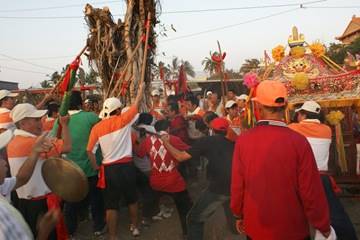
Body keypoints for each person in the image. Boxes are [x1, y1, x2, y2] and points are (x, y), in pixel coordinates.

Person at [231, 80, 335, 240]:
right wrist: (322, 224)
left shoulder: (243, 141)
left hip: (256, 226)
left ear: (258, 107)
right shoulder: (298, 141)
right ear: (286, 106)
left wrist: (238, 214)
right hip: (292, 227)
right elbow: (311, 191)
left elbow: (238, 184)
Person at [289, 101, 357, 240]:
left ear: (303, 115)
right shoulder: (326, 130)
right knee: (331, 213)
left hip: (303, 178)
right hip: (323, 179)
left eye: (299, 113)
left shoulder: (293, 128)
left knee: (301, 215)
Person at [87, 82, 145, 239]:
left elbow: (90, 151)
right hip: (126, 166)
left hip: (109, 170)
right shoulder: (124, 119)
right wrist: (140, 90)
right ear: (118, 110)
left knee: (111, 206)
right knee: (132, 200)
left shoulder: (96, 128)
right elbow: (136, 104)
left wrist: (97, 168)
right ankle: (135, 227)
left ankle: (113, 236)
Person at [160, 117, 235, 240]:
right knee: (229, 208)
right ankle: (233, 230)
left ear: (211, 129)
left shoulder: (206, 141)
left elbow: (180, 157)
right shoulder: (234, 143)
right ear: (227, 130)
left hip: (218, 188)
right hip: (235, 185)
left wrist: (166, 142)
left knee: (193, 219)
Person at [7, 103, 72, 239]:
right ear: (23, 123)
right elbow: (66, 147)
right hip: (39, 204)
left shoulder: (14, 140)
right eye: (36, 120)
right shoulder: (32, 142)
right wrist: (64, 125)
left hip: (25, 202)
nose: (40, 122)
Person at [52, 91, 106, 237]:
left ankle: (70, 230)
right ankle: (98, 226)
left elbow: (53, 139)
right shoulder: (91, 117)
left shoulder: (60, 121)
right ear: (81, 102)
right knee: (96, 199)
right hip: (91, 166)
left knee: (71, 201)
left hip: (70, 170)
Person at [136, 119, 193, 238]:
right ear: (167, 128)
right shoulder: (173, 139)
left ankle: (146, 218)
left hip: (156, 181)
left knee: (151, 198)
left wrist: (141, 141)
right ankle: (188, 233)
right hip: (174, 181)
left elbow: (140, 154)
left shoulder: (147, 141)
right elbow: (189, 151)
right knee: (186, 208)